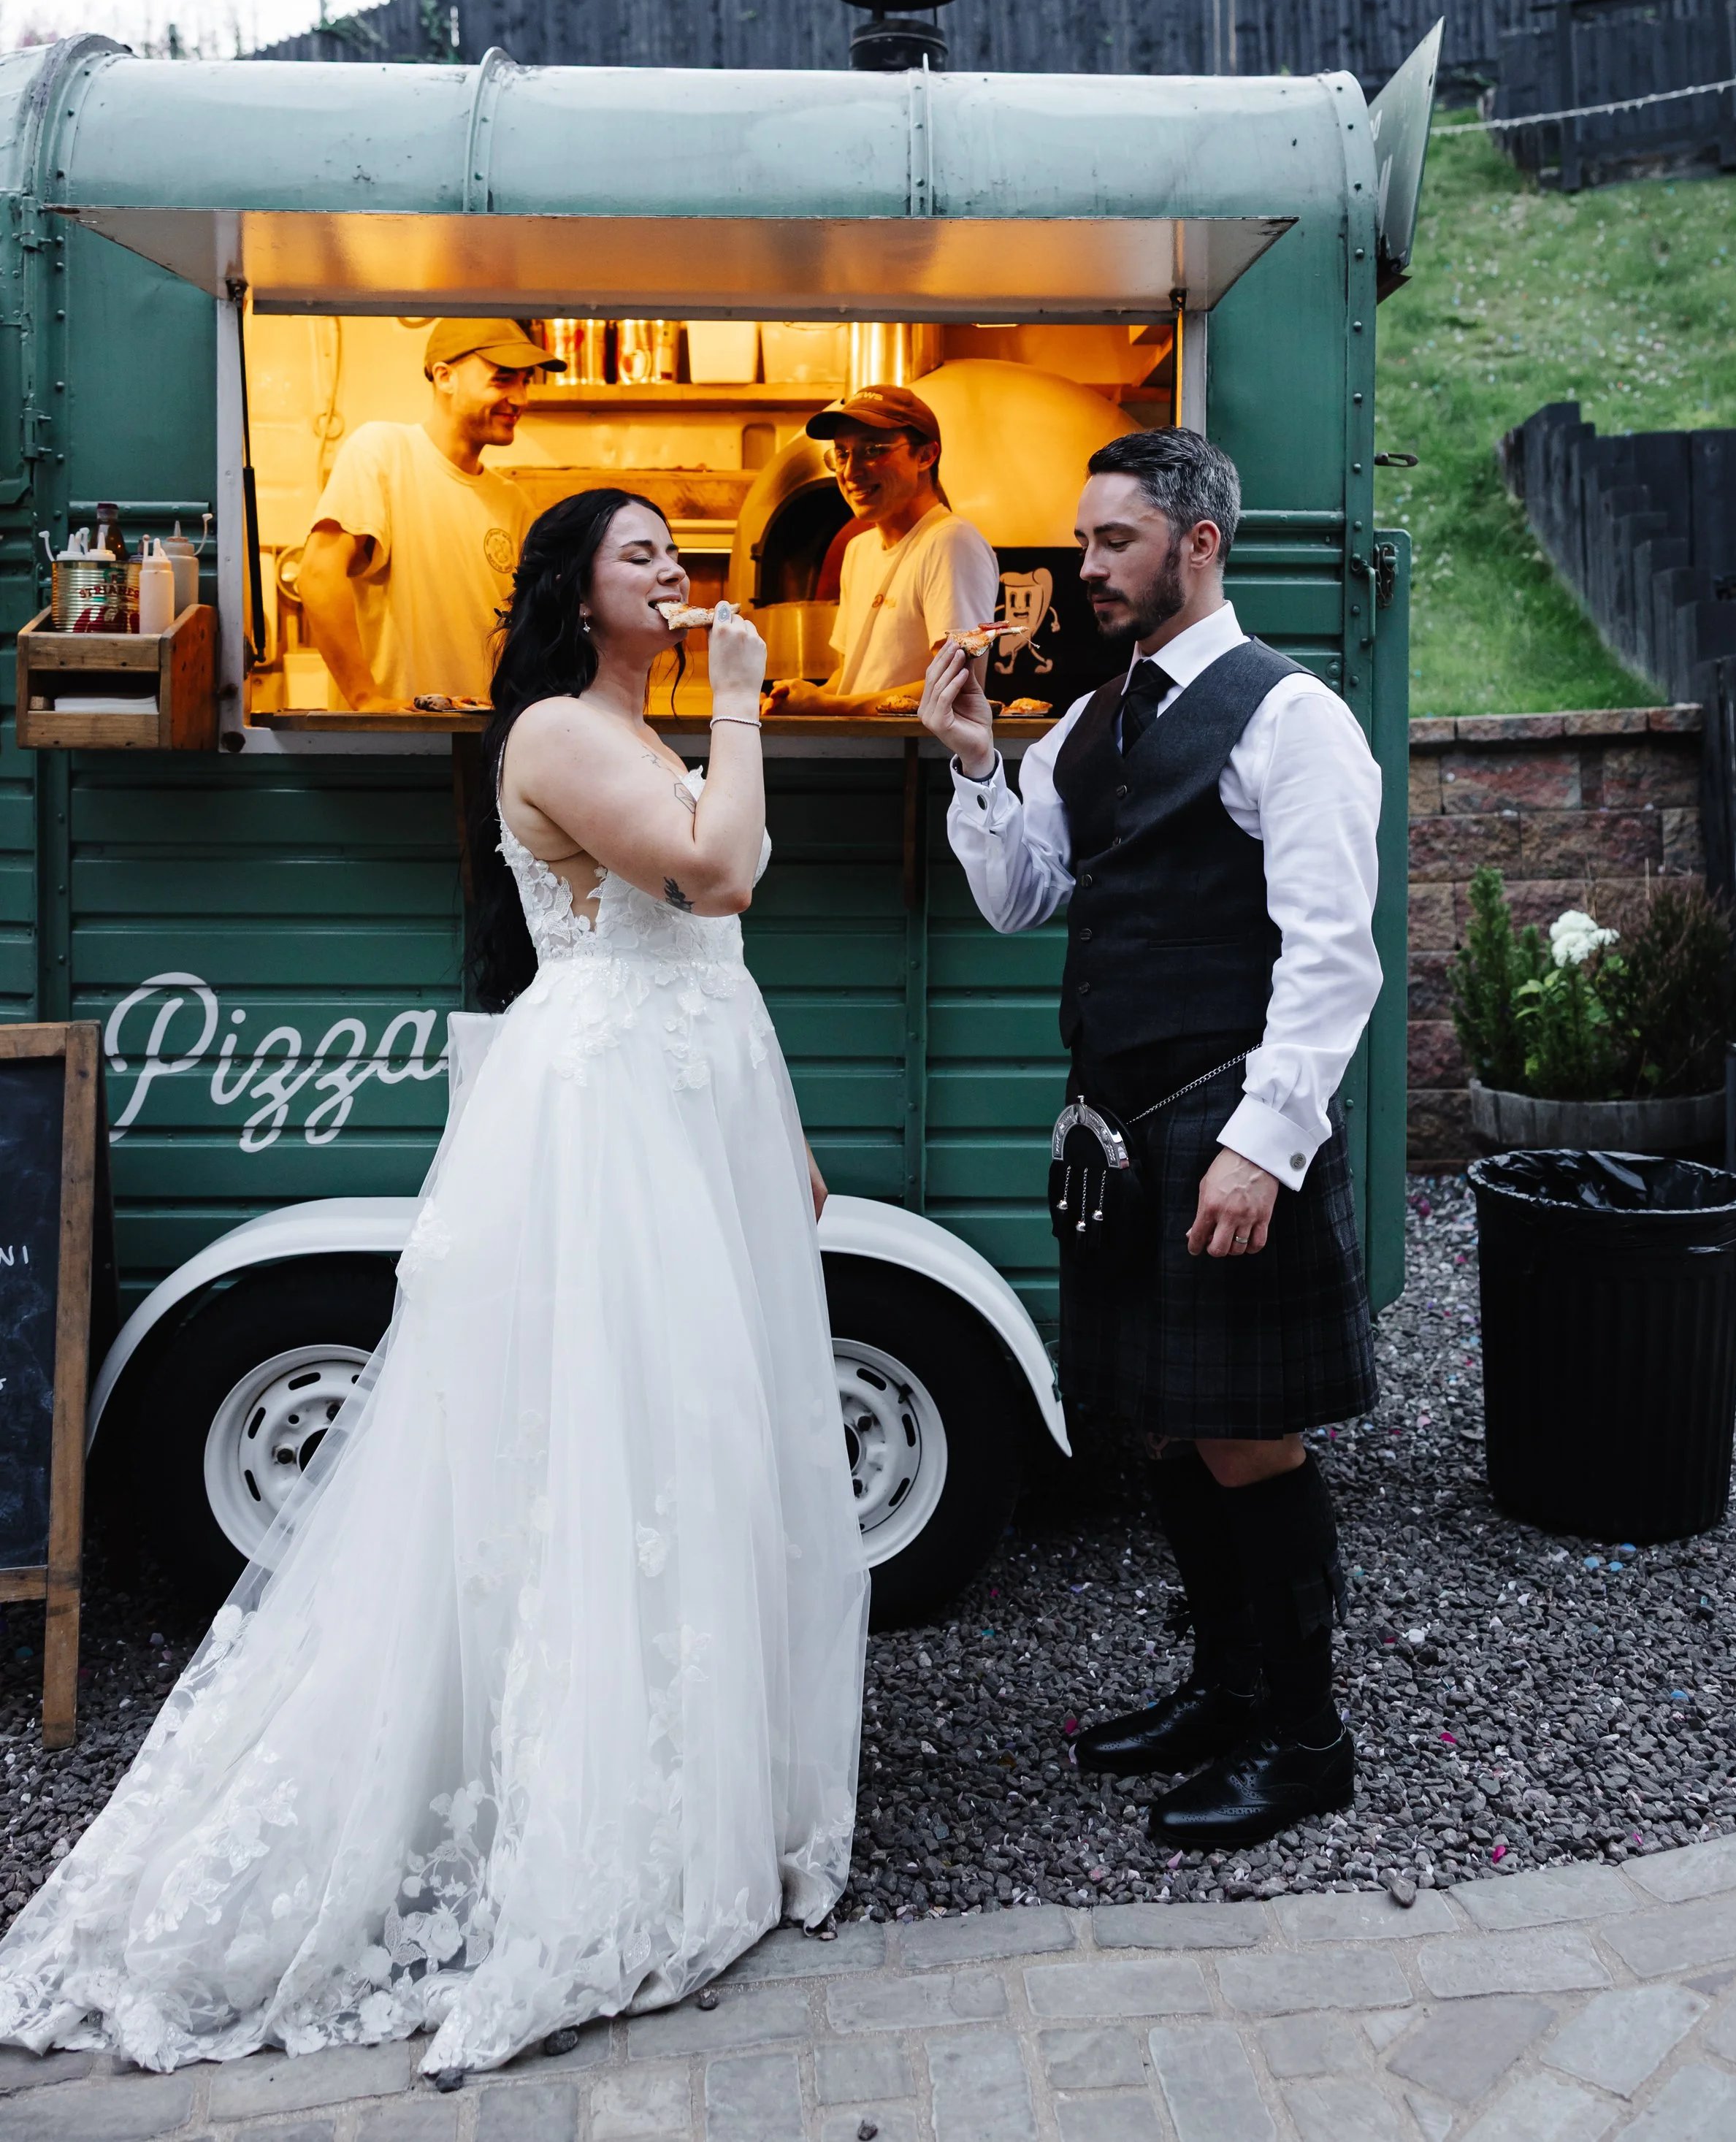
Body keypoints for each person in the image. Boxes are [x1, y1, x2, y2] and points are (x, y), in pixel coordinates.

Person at [0, 490, 868, 2078]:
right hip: (607, 1127)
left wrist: (788, 1128)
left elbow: (714, 959)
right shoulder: (553, 730)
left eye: (678, 551)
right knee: (603, 1449)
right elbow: (717, 875)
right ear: (569, 591)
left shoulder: (620, 719)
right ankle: (583, 1821)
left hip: (697, 1110)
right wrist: (744, 695)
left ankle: (694, 1798)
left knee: (703, 1446)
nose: (673, 572)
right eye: (639, 555)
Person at [919, 426, 1382, 1851]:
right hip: (1119, 1132)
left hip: (1223, 1123)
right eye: (1081, 542)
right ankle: (1221, 1691)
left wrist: (1265, 1144)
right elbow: (1021, 899)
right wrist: (975, 771)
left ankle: (1304, 1740)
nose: (1085, 569)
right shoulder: (1094, 719)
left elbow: (1332, 956)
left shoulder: (1288, 717)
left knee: (1247, 1437)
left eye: (1112, 542)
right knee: (1172, 1429)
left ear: (1197, 544)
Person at [296, 315, 562, 709]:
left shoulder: (512, 502)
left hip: (485, 736)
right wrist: (366, 699)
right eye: (503, 379)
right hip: (397, 739)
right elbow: (317, 574)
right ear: (444, 377)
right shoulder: (383, 452)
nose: (522, 398)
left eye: (526, 381)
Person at [765, 384, 998, 712]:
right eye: (842, 454)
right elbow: (851, 677)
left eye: (872, 450)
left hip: (911, 760)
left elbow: (958, 688)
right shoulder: (859, 550)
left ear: (925, 456)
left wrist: (828, 708)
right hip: (862, 754)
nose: (850, 472)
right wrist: (808, 697)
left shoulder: (950, 542)